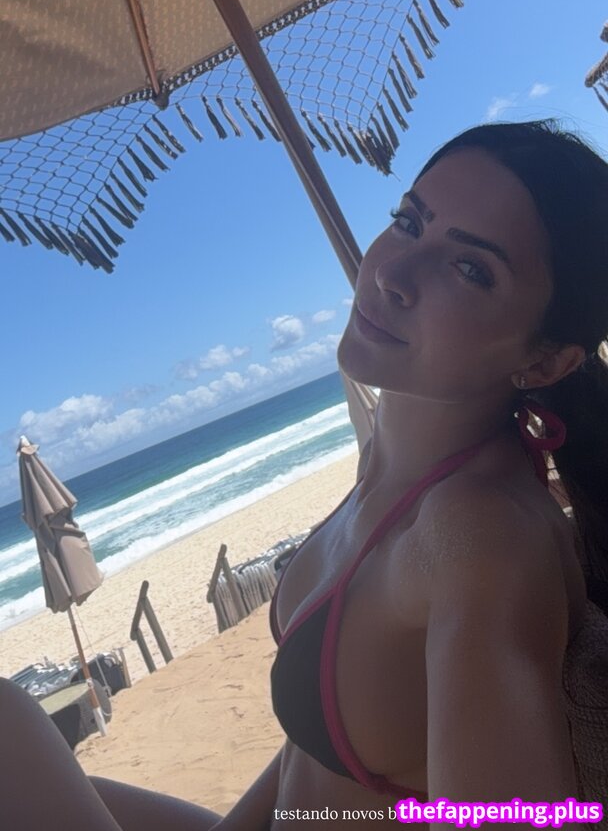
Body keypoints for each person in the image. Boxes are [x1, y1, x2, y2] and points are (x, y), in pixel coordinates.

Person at [1, 119, 607, 831]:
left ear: (545, 361)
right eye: (409, 223)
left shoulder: (478, 535)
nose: (391, 273)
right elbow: (317, 744)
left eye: (470, 269)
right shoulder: (391, 471)